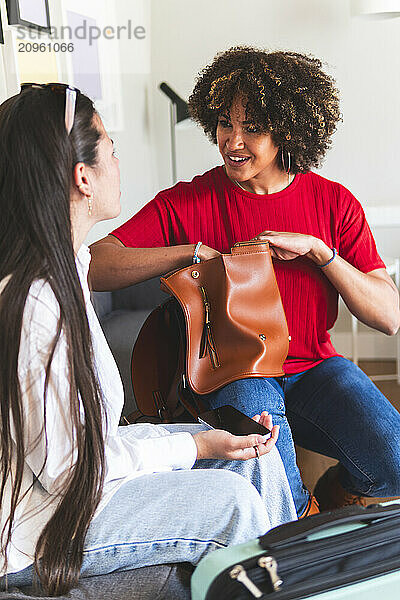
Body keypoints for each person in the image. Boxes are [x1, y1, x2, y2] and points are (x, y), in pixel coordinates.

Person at [0, 84, 297, 597]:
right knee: (234, 504)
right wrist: (192, 444)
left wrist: (207, 440)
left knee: (256, 457)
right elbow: (70, 474)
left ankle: (298, 585)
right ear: (83, 177)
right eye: (112, 148)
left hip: (83, 488)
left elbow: (98, 442)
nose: (119, 160)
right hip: (42, 530)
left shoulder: (69, 270)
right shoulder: (34, 304)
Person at [90, 46, 400, 518]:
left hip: (315, 368)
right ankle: (299, 534)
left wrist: (321, 253)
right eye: (224, 124)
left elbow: (389, 317)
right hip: (234, 369)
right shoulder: (188, 201)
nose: (232, 141)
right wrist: (191, 253)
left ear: (287, 129)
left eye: (251, 127)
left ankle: (336, 497)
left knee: (394, 459)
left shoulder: (334, 203)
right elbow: (95, 263)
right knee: (272, 484)